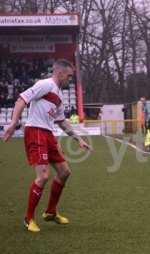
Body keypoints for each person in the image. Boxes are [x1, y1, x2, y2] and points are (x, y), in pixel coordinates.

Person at [2, 59, 92, 233]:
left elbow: (62, 122)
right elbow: (21, 99)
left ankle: (50, 212)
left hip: (48, 135)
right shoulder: (45, 84)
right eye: (69, 76)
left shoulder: (59, 96)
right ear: (60, 73)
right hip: (35, 131)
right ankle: (28, 219)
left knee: (65, 172)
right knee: (43, 176)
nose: (70, 79)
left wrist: (78, 139)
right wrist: (14, 123)